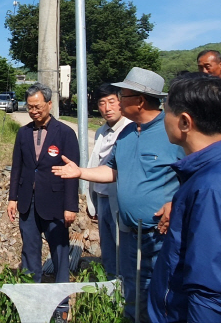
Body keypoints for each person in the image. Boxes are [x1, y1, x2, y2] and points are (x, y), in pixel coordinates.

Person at [53, 67, 183, 322]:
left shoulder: (173, 131)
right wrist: (80, 172)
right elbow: (112, 171)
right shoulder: (126, 133)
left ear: (140, 101)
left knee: (164, 292)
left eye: (122, 95)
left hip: (160, 234)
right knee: (132, 289)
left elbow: (195, 173)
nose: (118, 101)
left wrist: (176, 202)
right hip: (129, 232)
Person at [148, 72, 221, 322]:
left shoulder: (214, 189)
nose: (162, 118)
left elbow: (211, 291)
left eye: (165, 110)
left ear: (184, 122)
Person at [7, 83, 79, 283]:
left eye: (37, 106)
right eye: (30, 107)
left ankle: (61, 303)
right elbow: (17, 168)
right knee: (29, 250)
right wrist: (13, 198)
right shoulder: (23, 133)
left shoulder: (65, 133)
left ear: (49, 104)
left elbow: (73, 172)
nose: (33, 111)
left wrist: (71, 206)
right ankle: (31, 297)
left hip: (55, 201)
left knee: (60, 250)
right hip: (27, 202)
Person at [84, 83, 131, 276]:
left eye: (112, 102)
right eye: (102, 103)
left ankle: (125, 292)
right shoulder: (100, 131)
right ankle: (111, 287)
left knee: (123, 247)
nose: (107, 108)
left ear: (121, 103)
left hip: (120, 198)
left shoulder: (129, 130)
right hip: (101, 196)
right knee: (108, 246)